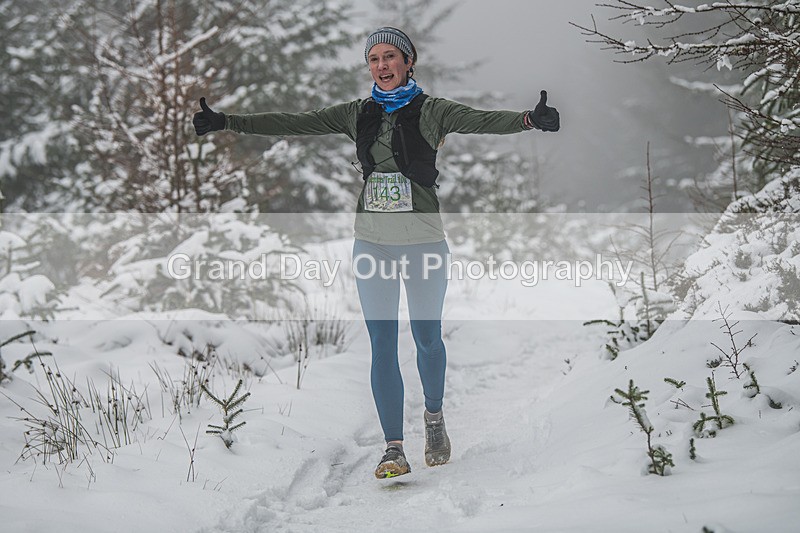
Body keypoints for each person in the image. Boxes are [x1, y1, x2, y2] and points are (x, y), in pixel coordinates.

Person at [193, 26, 560, 479]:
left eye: (390, 57)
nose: (382, 65)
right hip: (372, 243)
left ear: (408, 62)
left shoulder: (434, 111)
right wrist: (228, 122)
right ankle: (393, 448)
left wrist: (528, 119)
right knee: (382, 344)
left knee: (427, 339)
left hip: (423, 243)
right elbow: (293, 122)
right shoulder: (357, 113)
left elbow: (480, 120)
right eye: (374, 59)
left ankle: (434, 417)